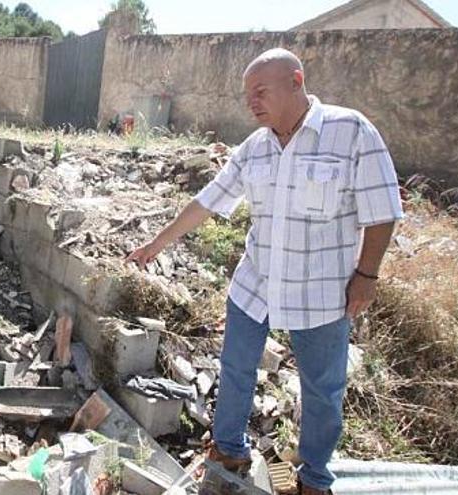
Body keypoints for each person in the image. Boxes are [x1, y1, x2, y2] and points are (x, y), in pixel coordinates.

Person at [126, 48, 403, 494]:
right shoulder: (254, 148)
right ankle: (229, 447)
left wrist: (366, 276)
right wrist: (156, 243)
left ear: (296, 81)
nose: (252, 102)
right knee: (235, 367)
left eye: (260, 91)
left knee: (322, 391)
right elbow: (207, 201)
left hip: (321, 293)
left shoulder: (350, 131)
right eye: (246, 95)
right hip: (255, 285)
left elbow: (383, 210)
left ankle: (313, 478)